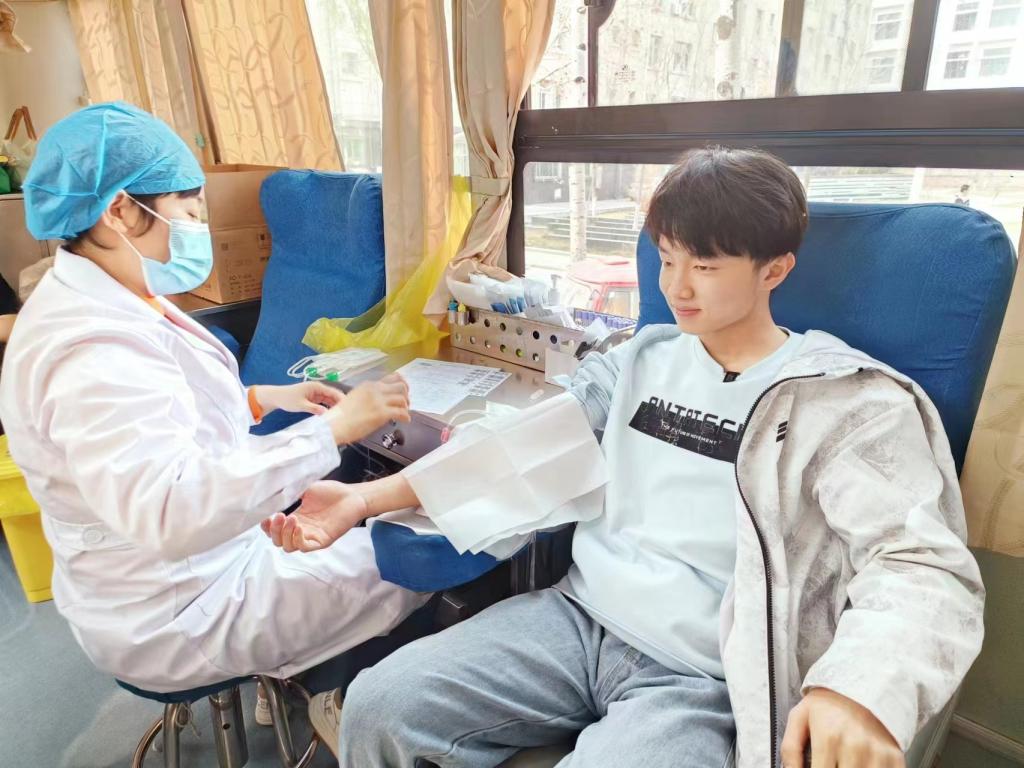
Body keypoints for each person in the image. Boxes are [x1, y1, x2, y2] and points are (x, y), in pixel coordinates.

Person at [265, 147, 986, 768]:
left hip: (702, 678)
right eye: (668, 259)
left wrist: (858, 691)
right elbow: (517, 451)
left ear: (775, 270)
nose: (676, 287)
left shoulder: (846, 400)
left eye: (705, 265)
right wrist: (362, 499)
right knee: (380, 704)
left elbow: (919, 561)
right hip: (577, 619)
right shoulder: (639, 361)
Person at [0, 102, 429, 696]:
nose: (198, 225)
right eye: (187, 209)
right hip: (179, 610)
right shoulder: (91, 351)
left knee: (368, 537)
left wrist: (258, 400)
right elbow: (170, 509)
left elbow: (158, 412)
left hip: (168, 574)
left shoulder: (100, 292)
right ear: (120, 210)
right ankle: (345, 702)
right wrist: (333, 431)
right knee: (418, 557)